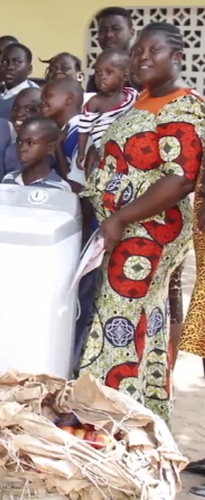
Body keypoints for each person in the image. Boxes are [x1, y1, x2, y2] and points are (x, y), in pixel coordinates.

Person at [78, 22, 204, 426]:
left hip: (149, 231)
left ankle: (109, 418)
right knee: (129, 318)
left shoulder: (183, 106)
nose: (143, 58)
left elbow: (182, 177)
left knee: (120, 318)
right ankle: (137, 415)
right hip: (124, 227)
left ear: (177, 59)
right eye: (138, 52)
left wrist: (120, 216)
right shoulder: (145, 100)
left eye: (154, 51)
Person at [76, 48, 138, 172]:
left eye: (108, 72)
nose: (102, 77)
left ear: (124, 76)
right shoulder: (94, 103)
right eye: (98, 72)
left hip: (129, 152)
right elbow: (84, 130)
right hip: (103, 154)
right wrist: (81, 153)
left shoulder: (133, 95)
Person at [2, 117, 71, 190]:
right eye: (19, 142)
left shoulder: (59, 188)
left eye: (30, 143)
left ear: (50, 147)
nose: (22, 148)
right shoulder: (9, 179)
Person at [41, 77, 84, 187]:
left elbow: (77, 187)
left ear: (69, 99)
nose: (42, 102)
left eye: (48, 96)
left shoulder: (80, 131)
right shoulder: (65, 130)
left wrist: (58, 147)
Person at [87, 7, 136, 93]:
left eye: (116, 29)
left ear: (131, 32)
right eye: (102, 30)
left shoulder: (142, 71)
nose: (109, 34)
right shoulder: (96, 80)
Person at [0, 43, 38, 120]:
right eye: (5, 62)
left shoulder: (33, 95)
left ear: (29, 69)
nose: (10, 67)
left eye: (17, 62)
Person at [4, 87, 42, 175]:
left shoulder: (49, 151)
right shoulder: (10, 150)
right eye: (15, 108)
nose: (19, 113)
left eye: (29, 109)